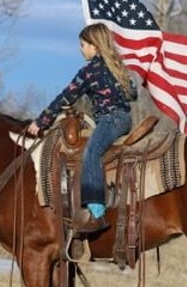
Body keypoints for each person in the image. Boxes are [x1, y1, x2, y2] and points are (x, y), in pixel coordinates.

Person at [27, 22, 137, 234]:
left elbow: (65, 96)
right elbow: (133, 95)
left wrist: (40, 122)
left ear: (94, 46)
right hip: (124, 119)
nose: (81, 49)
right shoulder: (117, 66)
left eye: (83, 44)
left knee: (92, 153)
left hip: (109, 120)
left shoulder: (90, 71)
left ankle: (97, 212)